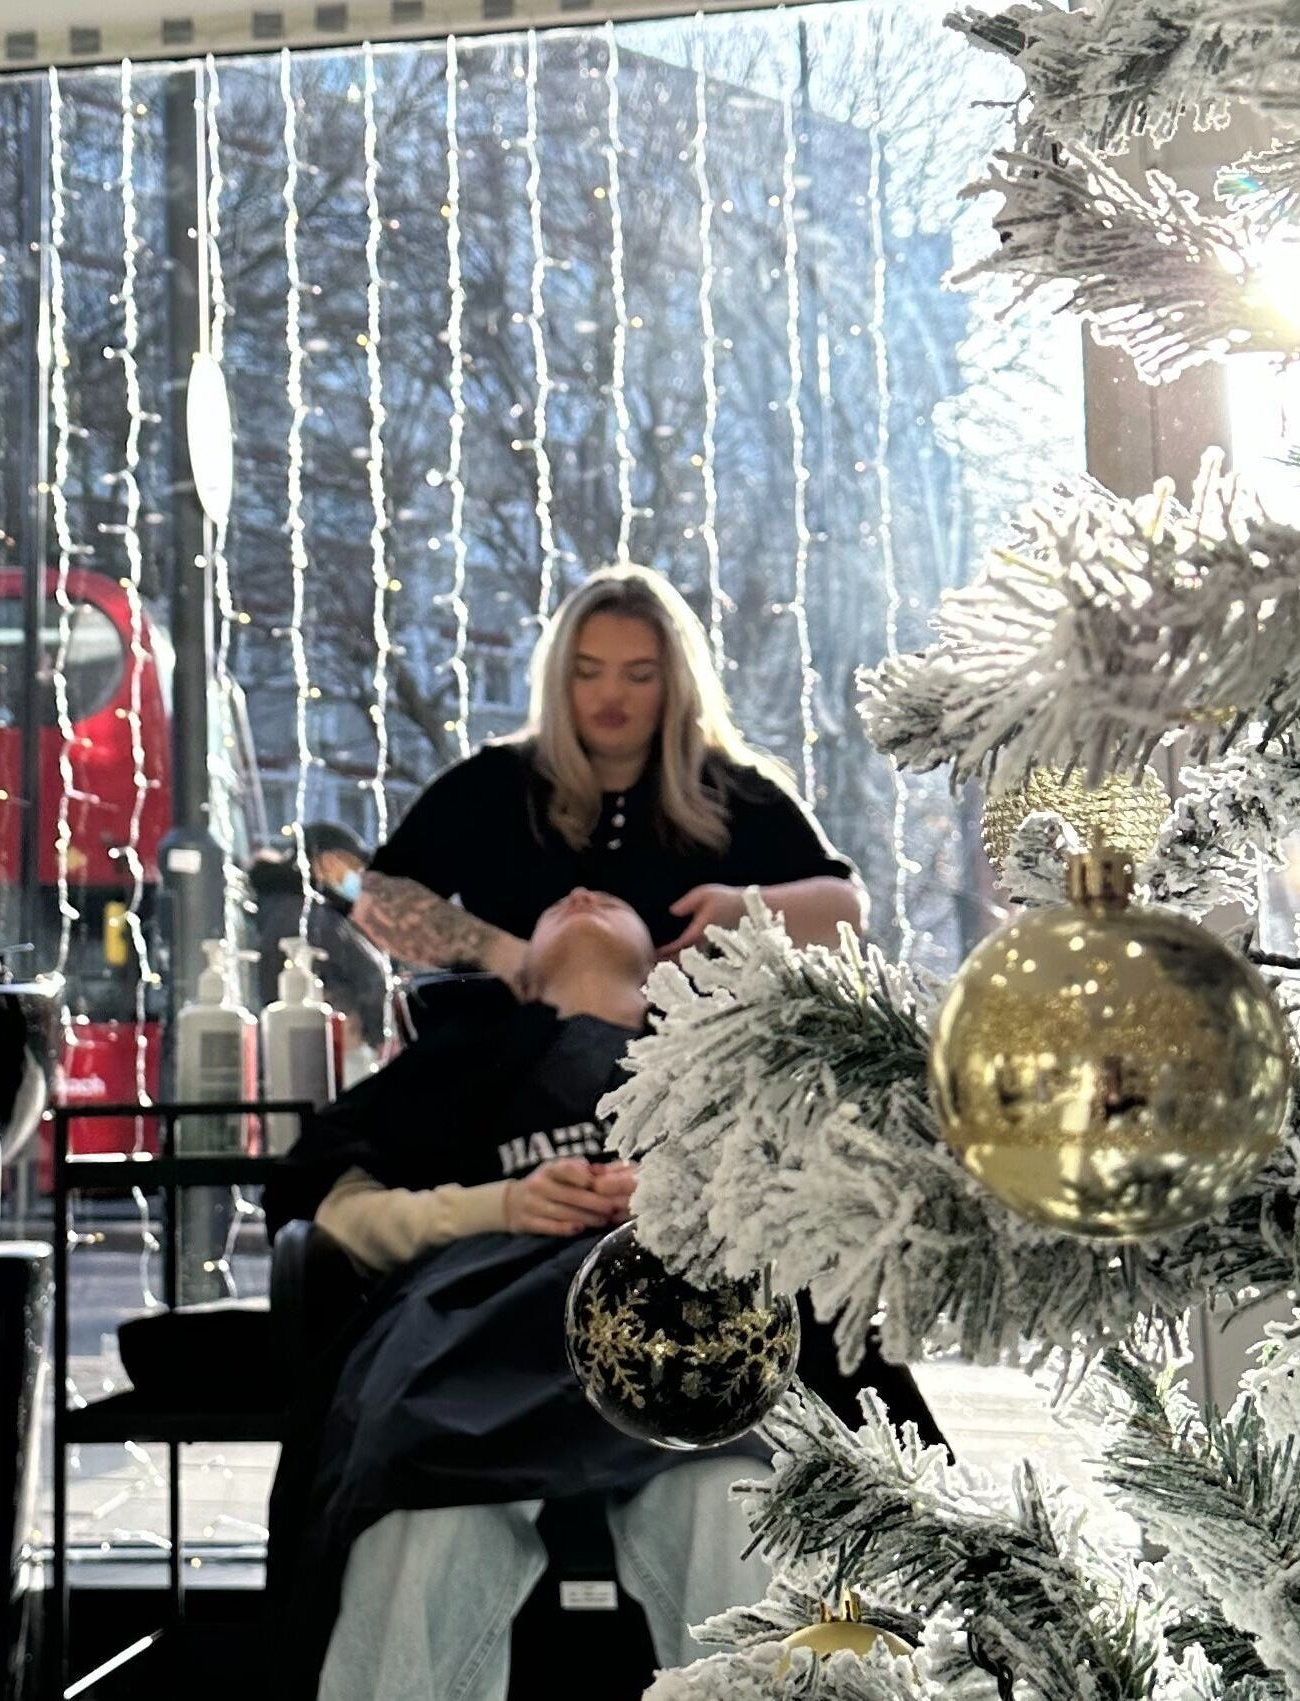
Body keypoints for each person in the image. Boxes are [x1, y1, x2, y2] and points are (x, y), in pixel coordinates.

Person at [262, 888, 936, 1701]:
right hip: (473, 1334)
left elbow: (849, 1203)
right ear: (520, 971)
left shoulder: (729, 1062)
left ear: (662, 962)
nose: (580, 894)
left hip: (692, 1337)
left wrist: (696, 1199)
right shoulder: (453, 1063)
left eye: (614, 900)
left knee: (730, 1507)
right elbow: (334, 1210)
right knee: (419, 1520)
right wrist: (499, 1206)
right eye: (553, 906)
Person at [354, 564, 865, 980]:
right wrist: (508, 956)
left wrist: (744, 909)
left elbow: (846, 908)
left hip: (695, 1078)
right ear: (558, 676)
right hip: (507, 1069)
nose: (611, 695)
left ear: (676, 683)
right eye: (587, 671)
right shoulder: (491, 785)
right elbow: (373, 895)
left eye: (639, 675)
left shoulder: (735, 793)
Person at [247, 822, 391, 1062]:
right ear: (322, 862)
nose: (359, 875)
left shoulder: (293, 908)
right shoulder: (309, 917)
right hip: (328, 1054)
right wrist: (374, 1033)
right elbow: (370, 980)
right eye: (351, 865)